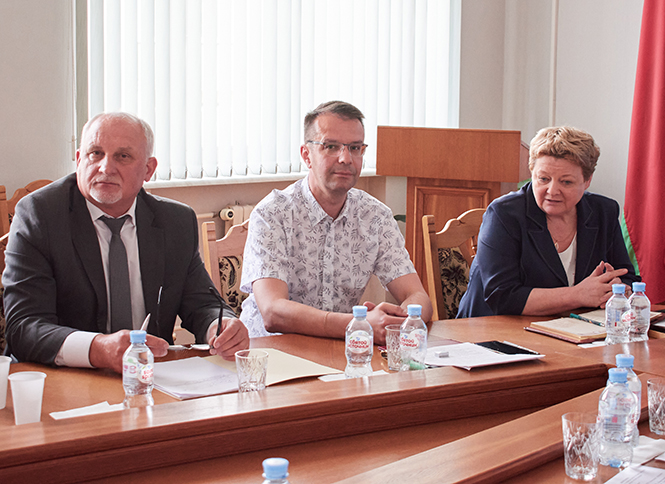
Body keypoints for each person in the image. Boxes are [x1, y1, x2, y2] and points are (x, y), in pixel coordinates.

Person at [2, 112, 249, 372]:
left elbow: (202, 303)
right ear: (79, 160)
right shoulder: (40, 215)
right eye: (95, 153)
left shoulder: (175, 221)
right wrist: (98, 349)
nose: (106, 168)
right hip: (63, 376)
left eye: (122, 156)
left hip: (150, 376)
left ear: (148, 169)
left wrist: (220, 327)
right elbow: (23, 327)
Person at [239, 100, 432, 344]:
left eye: (355, 148)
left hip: (340, 351)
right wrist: (359, 324)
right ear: (307, 155)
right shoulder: (272, 214)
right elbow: (273, 311)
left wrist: (397, 321)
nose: (345, 158)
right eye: (331, 146)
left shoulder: (375, 216)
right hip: (271, 352)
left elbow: (418, 297)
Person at [457, 126, 639, 318]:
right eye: (543, 179)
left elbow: (626, 276)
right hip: (493, 328)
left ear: (587, 181)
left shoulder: (603, 211)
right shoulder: (504, 214)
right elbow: (502, 297)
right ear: (532, 173)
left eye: (566, 182)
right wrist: (578, 295)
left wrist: (617, 288)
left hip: (570, 327)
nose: (552, 191)